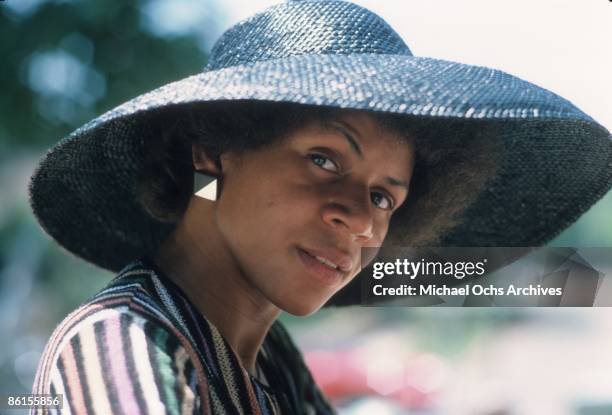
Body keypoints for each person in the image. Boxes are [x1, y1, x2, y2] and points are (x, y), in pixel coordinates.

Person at [28, 0, 612, 414]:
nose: (360, 223)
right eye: (325, 161)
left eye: (384, 197)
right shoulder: (122, 346)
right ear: (209, 156)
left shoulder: (271, 366)